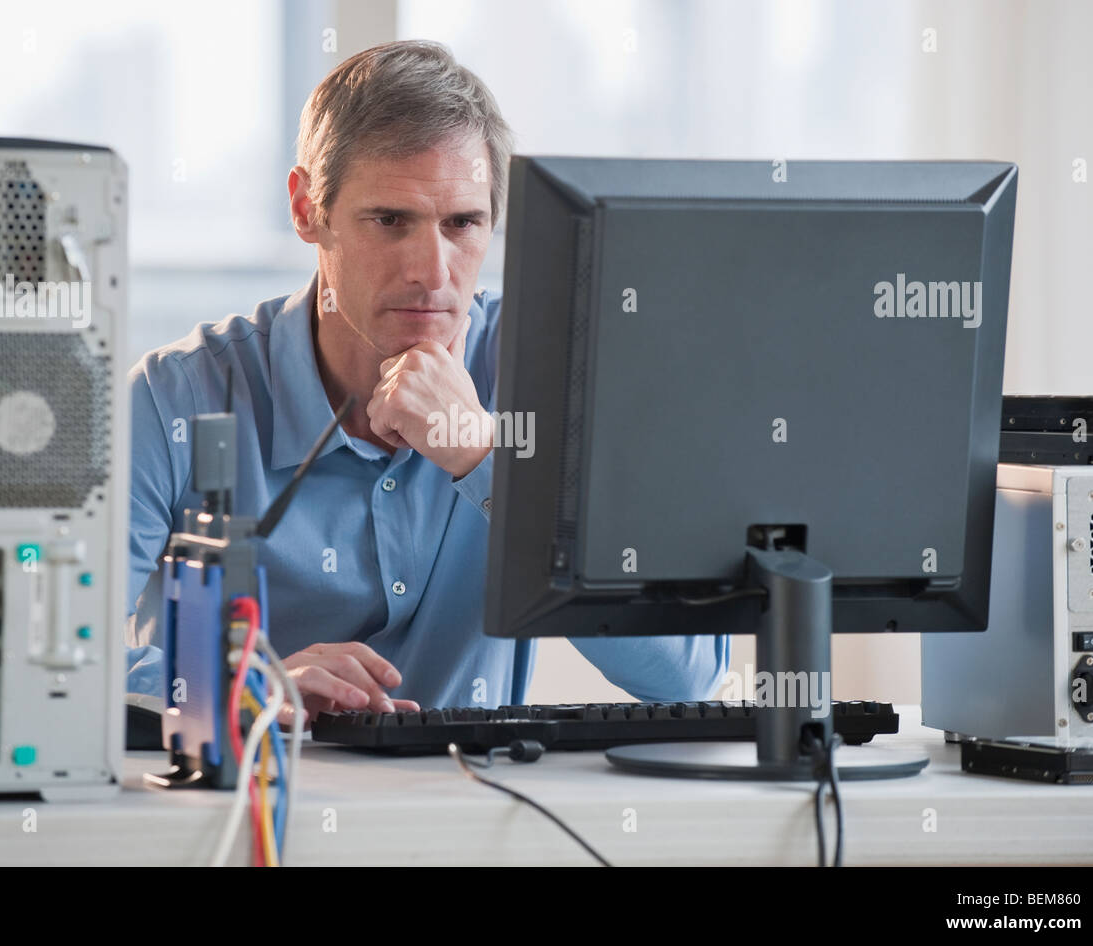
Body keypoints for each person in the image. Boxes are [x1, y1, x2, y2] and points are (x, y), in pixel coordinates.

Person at [125, 39, 728, 728]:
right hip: (257, 814)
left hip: (474, 817)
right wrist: (252, 684)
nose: (433, 273)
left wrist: (486, 463)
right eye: (390, 221)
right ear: (306, 209)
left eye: (462, 223)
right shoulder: (172, 399)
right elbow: (61, 668)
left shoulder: (551, 377)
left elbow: (684, 672)